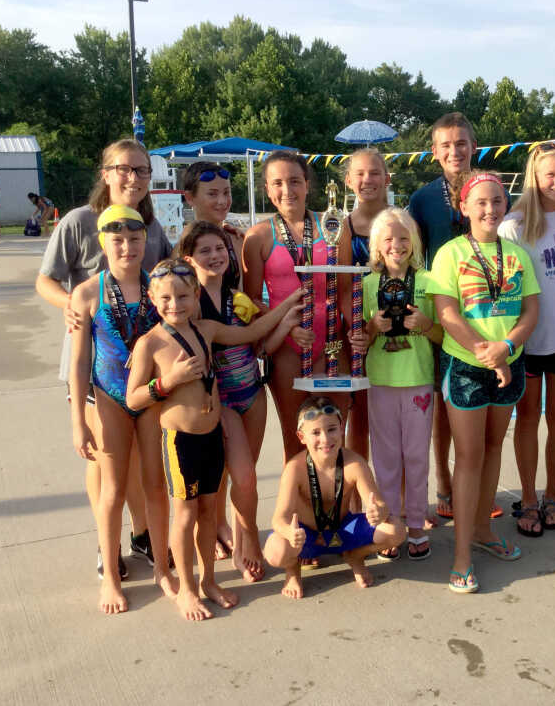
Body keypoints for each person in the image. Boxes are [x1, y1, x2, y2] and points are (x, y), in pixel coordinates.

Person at [126, 258, 303, 620]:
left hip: (210, 436)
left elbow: (251, 334)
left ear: (195, 295)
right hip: (181, 441)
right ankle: (186, 590)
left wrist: (288, 304)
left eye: (182, 296)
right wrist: (168, 381)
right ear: (152, 297)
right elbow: (133, 398)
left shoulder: (206, 329)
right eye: (166, 298)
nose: (175, 304)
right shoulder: (151, 344)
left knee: (209, 514)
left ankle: (208, 581)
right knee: (186, 515)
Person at [37, 138, 173, 580]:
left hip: (140, 373)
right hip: (94, 364)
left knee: (138, 462)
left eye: (141, 171)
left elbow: (173, 277)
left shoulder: (151, 229)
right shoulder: (78, 222)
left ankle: (142, 536)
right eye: (124, 169)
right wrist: (71, 307)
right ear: (106, 173)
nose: (133, 178)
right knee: (103, 463)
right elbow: (45, 281)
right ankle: (106, 547)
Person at [428, 171, 540, 593]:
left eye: (497, 201)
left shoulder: (517, 255)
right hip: (468, 367)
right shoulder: (451, 254)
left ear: (505, 205)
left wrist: (506, 349)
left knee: (494, 449)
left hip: (507, 363)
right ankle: (460, 555)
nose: (490, 209)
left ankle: (482, 531)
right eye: (481, 202)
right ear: (465, 208)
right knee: (470, 456)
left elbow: (530, 312)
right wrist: (486, 352)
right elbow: (448, 315)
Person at [67, 206, 175, 614]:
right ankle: (110, 576)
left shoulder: (157, 286)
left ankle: (162, 567)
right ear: (103, 244)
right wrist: (78, 420)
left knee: (154, 485)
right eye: (118, 240)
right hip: (109, 397)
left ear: (144, 241)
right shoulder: (86, 293)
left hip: (148, 398)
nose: (127, 247)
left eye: (134, 239)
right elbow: (79, 363)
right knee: (111, 489)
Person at [178, 221, 290, 583]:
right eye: (205, 250)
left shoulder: (235, 297)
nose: (215, 256)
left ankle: (241, 545)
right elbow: (251, 332)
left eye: (220, 249)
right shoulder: (189, 306)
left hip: (252, 394)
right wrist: (289, 305)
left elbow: (260, 343)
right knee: (240, 477)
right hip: (221, 404)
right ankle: (248, 545)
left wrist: (285, 323)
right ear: (188, 258)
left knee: (247, 477)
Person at [408, 112, 504, 522]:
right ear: (434, 152)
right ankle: (445, 484)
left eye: (461, 143)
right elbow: (413, 255)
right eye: (445, 145)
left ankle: (478, 491)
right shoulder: (423, 199)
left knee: (476, 406)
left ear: (473, 147)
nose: (454, 151)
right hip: (443, 310)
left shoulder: (491, 189)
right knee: (444, 400)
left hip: (486, 310)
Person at [497, 142, 555, 538]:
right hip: (528, 342)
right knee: (528, 420)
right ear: (534, 176)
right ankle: (528, 498)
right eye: (549, 174)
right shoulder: (512, 227)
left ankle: (552, 494)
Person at [243, 150, 350, 461]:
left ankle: (337, 507)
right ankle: (300, 506)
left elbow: (344, 291)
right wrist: (286, 322)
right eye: (277, 183)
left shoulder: (334, 226)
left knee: (334, 436)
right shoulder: (259, 236)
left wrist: (358, 331)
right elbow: (250, 301)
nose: (286, 190)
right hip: (287, 347)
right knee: (298, 438)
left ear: (307, 184)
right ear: (267, 189)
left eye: (294, 181)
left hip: (332, 343)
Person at [262, 397, 405, 599]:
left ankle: (355, 556)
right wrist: (290, 532)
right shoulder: (295, 469)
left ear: (341, 428)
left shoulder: (354, 463)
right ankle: (293, 571)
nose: (325, 439)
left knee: (396, 530)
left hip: (344, 530)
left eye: (331, 429)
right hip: (306, 537)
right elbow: (279, 518)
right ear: (301, 437)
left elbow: (379, 504)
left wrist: (378, 512)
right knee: (275, 551)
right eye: (316, 432)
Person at [360, 208, 441, 559]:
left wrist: (424, 323)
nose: (397, 245)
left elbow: (443, 335)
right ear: (377, 246)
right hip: (380, 381)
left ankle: (418, 523)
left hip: (419, 380)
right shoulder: (366, 285)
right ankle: (391, 522)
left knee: (417, 457)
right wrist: (371, 329)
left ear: (414, 243)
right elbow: (360, 339)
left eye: (404, 238)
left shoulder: (429, 282)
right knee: (386, 457)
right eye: (389, 239)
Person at [182, 161, 245, 561]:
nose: (221, 201)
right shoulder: (187, 250)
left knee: (236, 460)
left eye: (226, 193)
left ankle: (230, 525)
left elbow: (244, 300)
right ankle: (214, 524)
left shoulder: (234, 241)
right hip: (202, 377)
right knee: (210, 461)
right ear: (190, 198)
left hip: (239, 367)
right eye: (212, 195)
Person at [338, 148, 392, 461]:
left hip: (399, 331)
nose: (367, 179)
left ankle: (398, 503)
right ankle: (361, 500)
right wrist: (362, 331)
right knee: (359, 419)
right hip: (358, 335)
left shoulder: (402, 223)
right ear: (348, 181)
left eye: (374, 173)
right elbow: (344, 288)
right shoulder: (343, 227)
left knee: (395, 421)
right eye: (359, 174)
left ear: (386, 179)